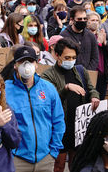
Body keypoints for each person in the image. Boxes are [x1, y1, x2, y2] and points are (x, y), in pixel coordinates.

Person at [41, 38, 100, 172]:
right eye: (67, 57)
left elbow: (91, 89)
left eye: (73, 57)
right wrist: (66, 88)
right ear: (57, 55)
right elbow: (49, 101)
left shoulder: (80, 70)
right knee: (59, 165)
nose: (71, 61)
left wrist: (94, 96)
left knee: (76, 163)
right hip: (60, 128)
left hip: (79, 125)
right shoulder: (47, 75)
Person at [5, 46, 65, 172]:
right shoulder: (5, 90)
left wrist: (53, 151)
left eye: (30, 61)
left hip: (45, 159)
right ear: (15, 65)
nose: (26, 65)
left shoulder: (48, 88)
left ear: (36, 64)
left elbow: (58, 120)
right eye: (22, 62)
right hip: (17, 159)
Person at [61, 5, 99, 70]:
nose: (82, 21)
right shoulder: (64, 36)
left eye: (85, 19)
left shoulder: (90, 36)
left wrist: (87, 72)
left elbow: (95, 58)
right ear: (72, 20)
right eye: (79, 19)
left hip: (88, 74)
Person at [87, 11, 108, 97]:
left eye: (97, 20)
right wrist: (97, 43)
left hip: (102, 74)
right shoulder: (85, 36)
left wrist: (104, 44)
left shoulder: (101, 35)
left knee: (101, 100)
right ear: (87, 22)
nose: (95, 22)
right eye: (92, 20)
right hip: (90, 73)